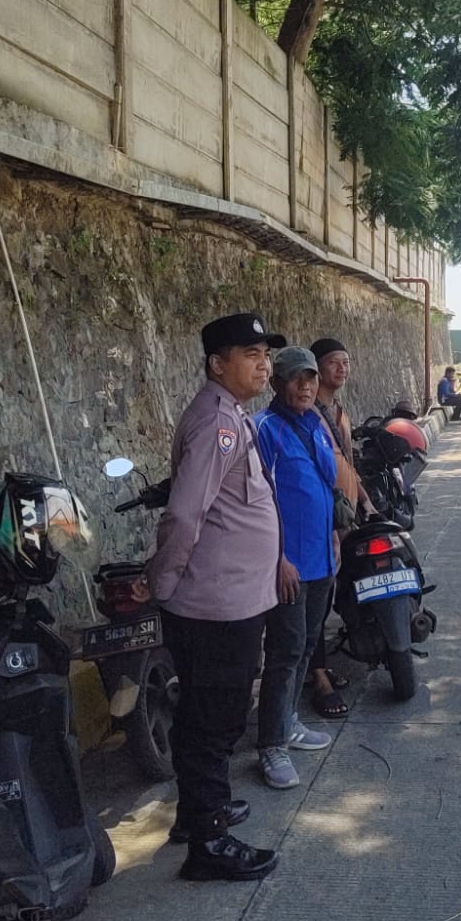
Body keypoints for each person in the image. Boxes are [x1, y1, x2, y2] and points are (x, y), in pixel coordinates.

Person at [146, 312, 284, 880]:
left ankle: (199, 811)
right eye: (250, 354)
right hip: (215, 606)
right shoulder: (216, 424)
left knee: (208, 715)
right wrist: (163, 581)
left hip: (233, 600)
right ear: (217, 364)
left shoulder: (230, 415)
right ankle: (209, 843)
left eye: (265, 354)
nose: (264, 365)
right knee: (215, 722)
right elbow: (184, 516)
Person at [253, 347, 339, 789]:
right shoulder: (264, 429)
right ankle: (271, 745)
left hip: (321, 558)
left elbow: (324, 484)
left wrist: (333, 534)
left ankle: (287, 721)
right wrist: (278, 557)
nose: (305, 386)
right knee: (284, 653)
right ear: (276, 384)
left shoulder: (315, 424)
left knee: (306, 646)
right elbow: (260, 501)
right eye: (296, 379)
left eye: (310, 378)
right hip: (289, 564)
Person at [308, 337, 361, 717]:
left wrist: (366, 501)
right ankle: (318, 677)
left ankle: (321, 665)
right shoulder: (307, 414)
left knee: (333, 594)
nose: (342, 369)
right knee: (317, 601)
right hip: (322, 522)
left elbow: (350, 464)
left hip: (346, 515)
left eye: (346, 362)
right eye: (333, 362)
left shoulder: (339, 411)